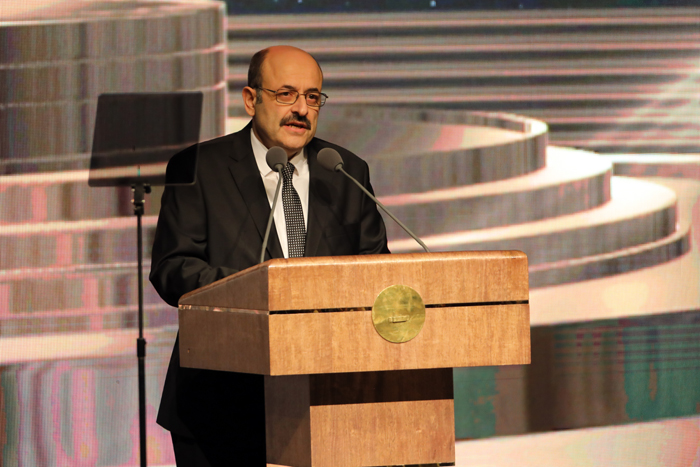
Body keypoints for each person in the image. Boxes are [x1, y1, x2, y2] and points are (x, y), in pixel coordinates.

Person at [149, 45, 389, 466]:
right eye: (286, 94)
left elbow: (377, 271)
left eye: (312, 97)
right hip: (221, 404)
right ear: (250, 99)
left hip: (329, 401)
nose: (301, 109)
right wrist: (264, 290)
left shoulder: (346, 171)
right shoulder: (199, 168)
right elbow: (173, 269)